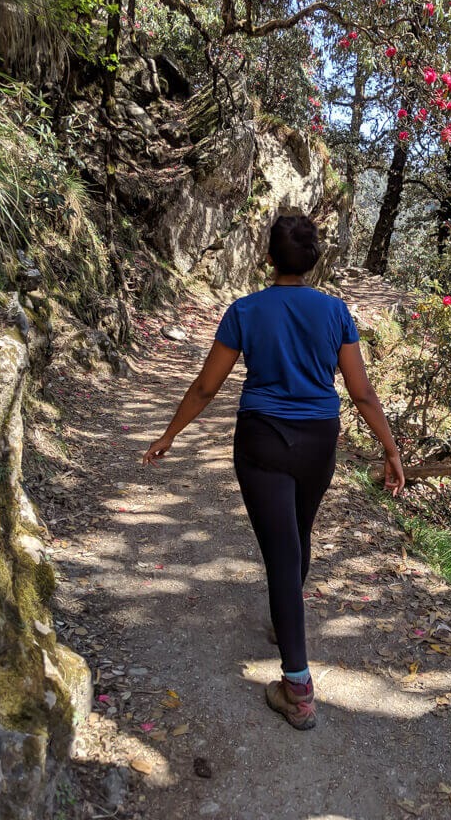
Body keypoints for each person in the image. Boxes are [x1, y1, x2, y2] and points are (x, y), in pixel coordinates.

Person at [142, 214, 405, 731]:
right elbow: (362, 392)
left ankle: (298, 687)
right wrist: (391, 449)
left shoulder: (245, 310)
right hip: (318, 440)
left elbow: (204, 388)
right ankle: (285, 622)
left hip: (262, 439)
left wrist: (170, 433)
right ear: (314, 261)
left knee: (283, 553)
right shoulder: (336, 312)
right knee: (297, 533)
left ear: (267, 258)